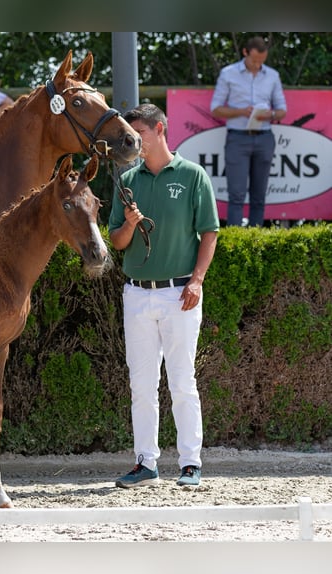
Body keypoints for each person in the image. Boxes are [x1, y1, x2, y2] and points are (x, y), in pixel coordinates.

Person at [108, 104, 219, 488]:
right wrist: (130, 223)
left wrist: (197, 281)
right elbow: (117, 242)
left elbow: (209, 232)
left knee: (182, 381)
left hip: (180, 293)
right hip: (136, 294)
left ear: (160, 129)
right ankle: (146, 463)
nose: (135, 143)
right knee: (141, 384)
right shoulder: (128, 181)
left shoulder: (193, 176)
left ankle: (190, 463)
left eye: (140, 135)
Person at [211, 36, 287, 227]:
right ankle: (236, 242)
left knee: (259, 195)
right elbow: (215, 108)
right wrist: (241, 111)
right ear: (245, 52)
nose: (258, 64)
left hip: (264, 137)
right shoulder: (228, 74)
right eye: (254, 60)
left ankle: (256, 240)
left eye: (262, 61)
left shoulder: (272, 75)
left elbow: (282, 110)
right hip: (237, 138)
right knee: (236, 195)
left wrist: (269, 114)